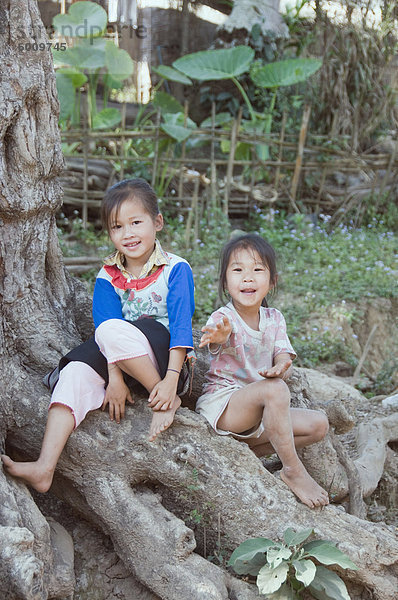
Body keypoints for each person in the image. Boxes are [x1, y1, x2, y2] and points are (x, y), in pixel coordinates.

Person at [1, 178, 195, 493]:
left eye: (136, 222)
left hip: (165, 361)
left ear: (157, 222)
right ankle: (44, 467)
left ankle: (163, 400)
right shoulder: (108, 276)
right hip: (119, 356)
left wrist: (170, 381)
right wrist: (114, 380)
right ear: (109, 233)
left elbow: (182, 327)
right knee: (76, 371)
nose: (128, 233)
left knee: (122, 330)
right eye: (118, 227)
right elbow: (105, 331)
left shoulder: (175, 268)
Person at [196, 233, 329, 508]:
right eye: (238, 270)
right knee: (276, 390)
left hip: (262, 412)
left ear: (272, 281)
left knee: (318, 425)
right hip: (225, 406)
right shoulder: (224, 318)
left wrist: (282, 366)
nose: (248, 277)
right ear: (225, 282)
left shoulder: (274, 318)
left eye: (257, 270)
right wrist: (219, 337)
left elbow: (283, 353)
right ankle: (293, 471)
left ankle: (247, 453)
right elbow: (220, 335)